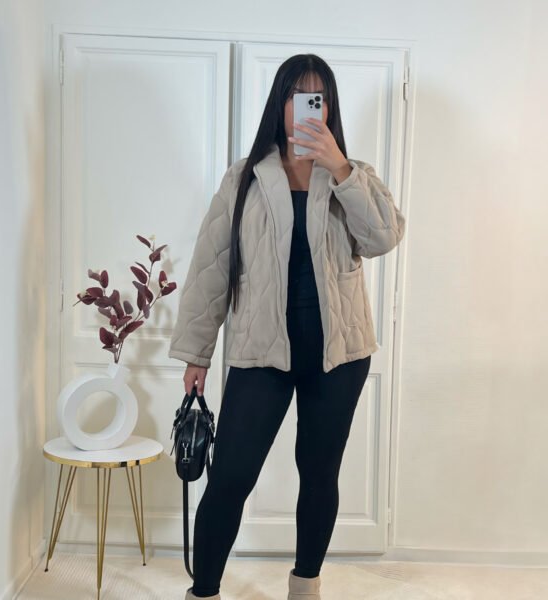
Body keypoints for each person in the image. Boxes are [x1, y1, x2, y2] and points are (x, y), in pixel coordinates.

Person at [169, 53, 406, 600]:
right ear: (280, 103)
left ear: (329, 107)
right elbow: (210, 266)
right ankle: (204, 591)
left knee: (319, 474)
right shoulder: (245, 177)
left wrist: (340, 168)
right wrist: (197, 352)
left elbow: (383, 238)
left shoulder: (354, 175)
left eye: (316, 98)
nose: (306, 107)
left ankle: (305, 587)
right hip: (261, 351)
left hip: (337, 356)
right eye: (297, 96)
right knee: (230, 476)